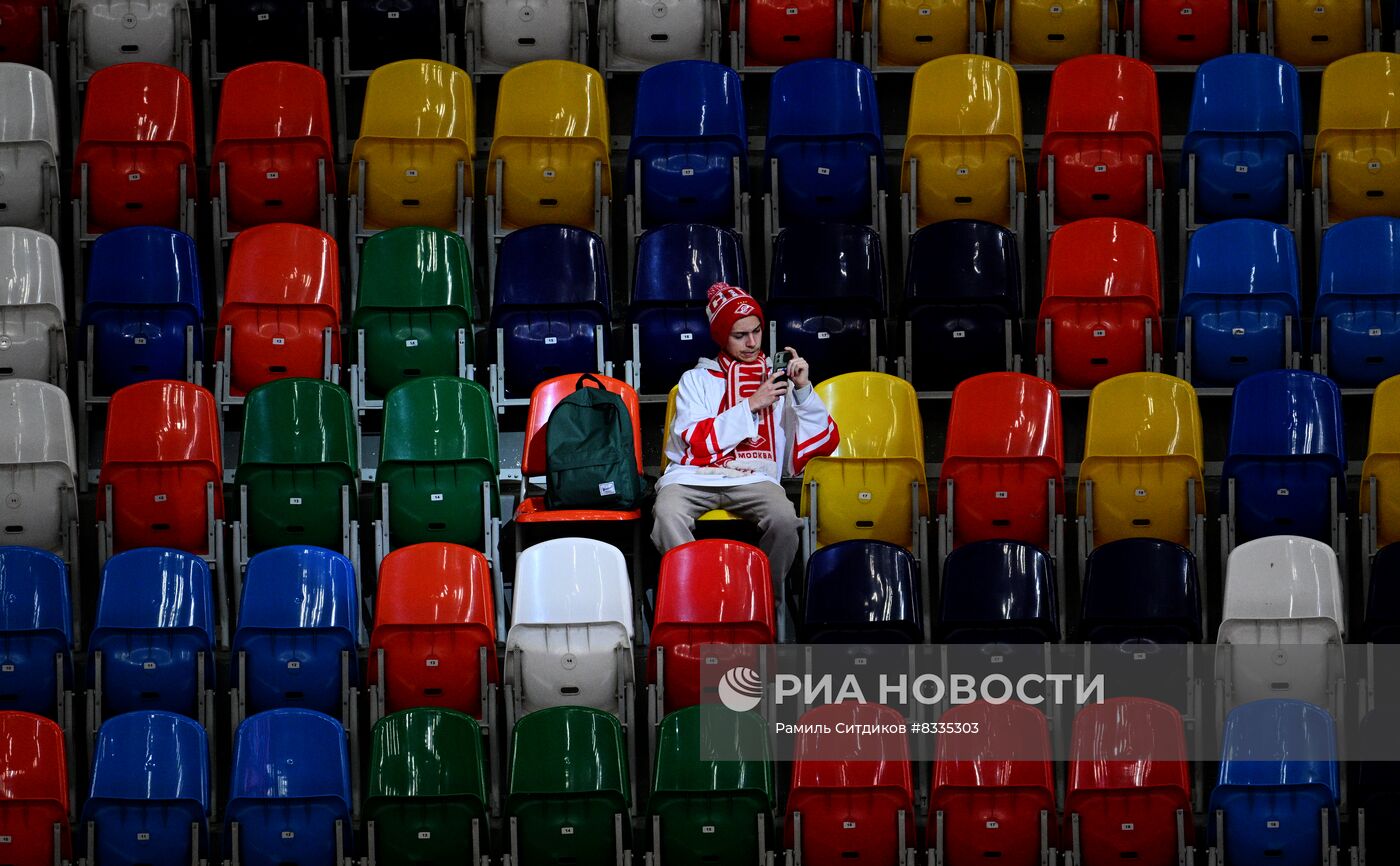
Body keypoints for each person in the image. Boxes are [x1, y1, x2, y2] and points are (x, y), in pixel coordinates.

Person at [652, 281, 840, 629]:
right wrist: (751, 405)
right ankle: (699, 602)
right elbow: (694, 439)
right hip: (696, 475)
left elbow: (823, 441)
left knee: (785, 521)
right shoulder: (696, 379)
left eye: (756, 332)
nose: (752, 343)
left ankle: (760, 608)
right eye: (741, 335)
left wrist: (801, 390)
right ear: (723, 337)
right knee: (666, 514)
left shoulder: (777, 378)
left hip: (755, 478)